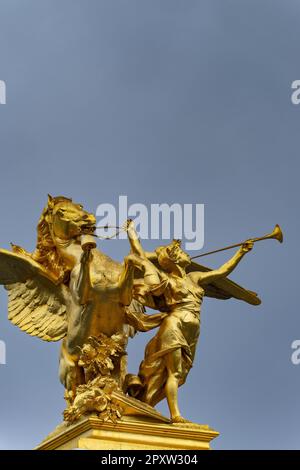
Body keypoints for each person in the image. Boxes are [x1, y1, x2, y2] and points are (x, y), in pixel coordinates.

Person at [125, 220, 254, 423]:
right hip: (174, 325)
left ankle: (147, 402)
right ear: (175, 259)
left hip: (192, 330)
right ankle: (176, 416)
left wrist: (241, 252)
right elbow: (140, 255)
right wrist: (131, 231)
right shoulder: (164, 279)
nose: (188, 255)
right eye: (183, 253)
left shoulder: (194, 278)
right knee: (174, 372)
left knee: (181, 376)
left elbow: (221, 273)